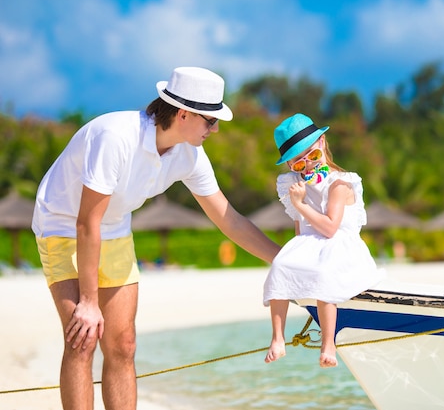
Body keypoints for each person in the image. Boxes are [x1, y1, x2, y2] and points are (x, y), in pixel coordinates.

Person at [32, 66, 282, 410]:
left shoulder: (189, 155)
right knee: (83, 339)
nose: (216, 128)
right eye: (210, 120)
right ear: (183, 114)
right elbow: (87, 222)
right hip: (63, 224)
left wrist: (285, 262)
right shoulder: (116, 137)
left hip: (115, 227)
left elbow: (230, 221)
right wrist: (89, 303)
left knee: (124, 344)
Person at [263, 113, 385, 368]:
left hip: (339, 242)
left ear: (322, 143)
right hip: (311, 241)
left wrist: (301, 204)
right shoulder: (292, 184)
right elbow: (301, 230)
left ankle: (328, 343)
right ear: (289, 166)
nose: (307, 165)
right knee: (280, 265)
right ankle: (277, 338)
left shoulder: (340, 184)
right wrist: (295, 258)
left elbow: (330, 227)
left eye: (312, 156)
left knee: (323, 273)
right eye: (298, 163)